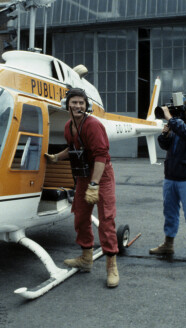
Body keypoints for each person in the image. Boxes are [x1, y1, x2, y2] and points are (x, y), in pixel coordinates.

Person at [44, 87, 120, 288]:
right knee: (80, 215)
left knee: (106, 219)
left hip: (101, 175)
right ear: (66, 104)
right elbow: (73, 148)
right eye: (74, 102)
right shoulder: (69, 126)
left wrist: (94, 185)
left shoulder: (93, 125)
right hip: (85, 176)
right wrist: (56, 158)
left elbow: (101, 156)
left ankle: (111, 266)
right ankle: (86, 258)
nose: (78, 105)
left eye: (81, 102)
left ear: (86, 106)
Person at [149, 95, 186, 268]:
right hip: (171, 177)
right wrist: (165, 134)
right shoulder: (178, 126)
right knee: (169, 213)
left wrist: (171, 118)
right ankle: (168, 244)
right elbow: (166, 146)